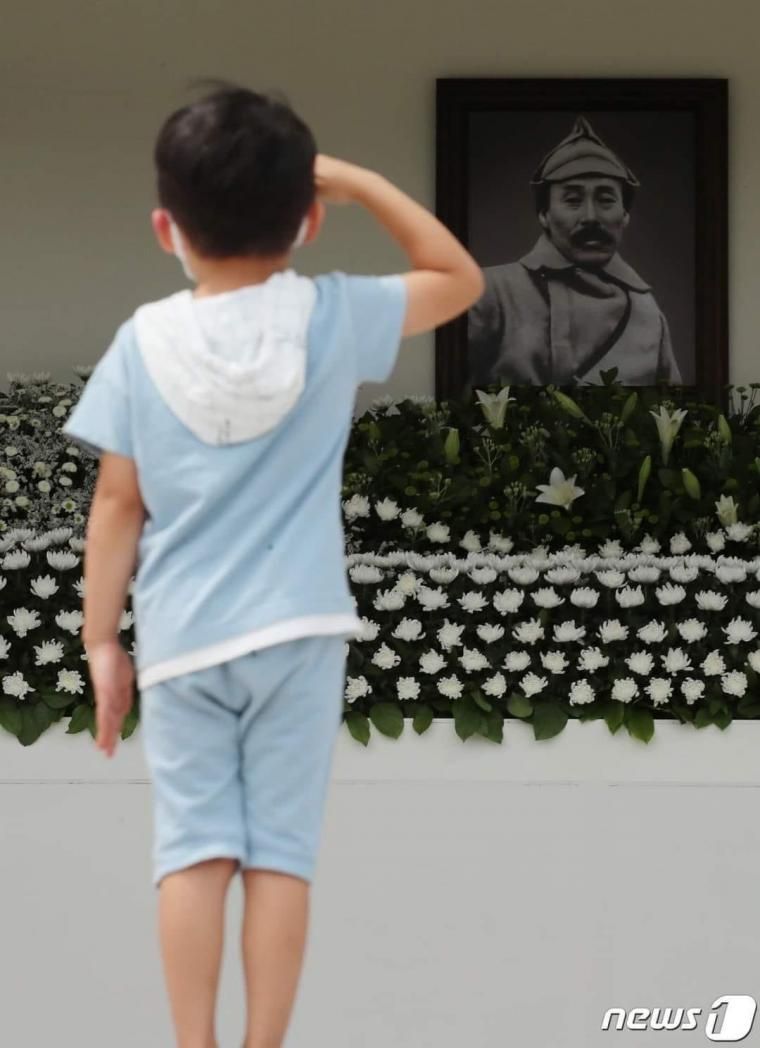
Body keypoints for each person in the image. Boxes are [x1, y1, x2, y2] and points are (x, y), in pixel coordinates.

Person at [61, 81, 483, 1048]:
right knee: (280, 857)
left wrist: (100, 641)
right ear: (310, 218)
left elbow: (117, 504)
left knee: (193, 855)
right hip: (299, 630)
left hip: (183, 641)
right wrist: (364, 182)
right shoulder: (334, 316)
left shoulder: (140, 342)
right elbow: (459, 278)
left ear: (165, 227)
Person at [468, 116, 683, 387]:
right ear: (544, 214)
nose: (591, 217)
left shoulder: (647, 312)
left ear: (625, 215)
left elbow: (673, 406)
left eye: (606, 200)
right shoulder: (491, 292)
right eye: (572, 200)